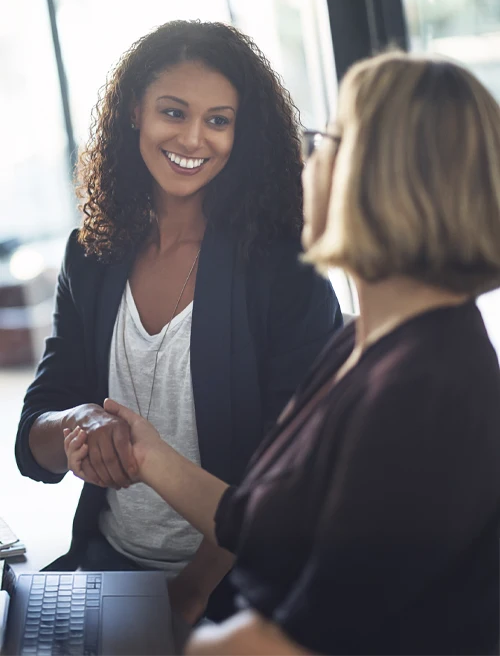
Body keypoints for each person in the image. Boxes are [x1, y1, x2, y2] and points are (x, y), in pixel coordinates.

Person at [67, 50, 500, 655]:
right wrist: (148, 454)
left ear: (383, 180)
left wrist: (173, 635)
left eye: (329, 143)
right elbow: (262, 529)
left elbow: (301, 639)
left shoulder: (430, 388)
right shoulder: (363, 343)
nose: (308, 164)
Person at [16, 20, 341, 623]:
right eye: (174, 112)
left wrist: (190, 591)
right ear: (135, 111)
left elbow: (286, 478)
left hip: (239, 591)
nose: (195, 138)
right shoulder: (90, 255)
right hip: (107, 567)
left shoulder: (286, 270)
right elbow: (34, 431)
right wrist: (76, 423)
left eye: (219, 120)